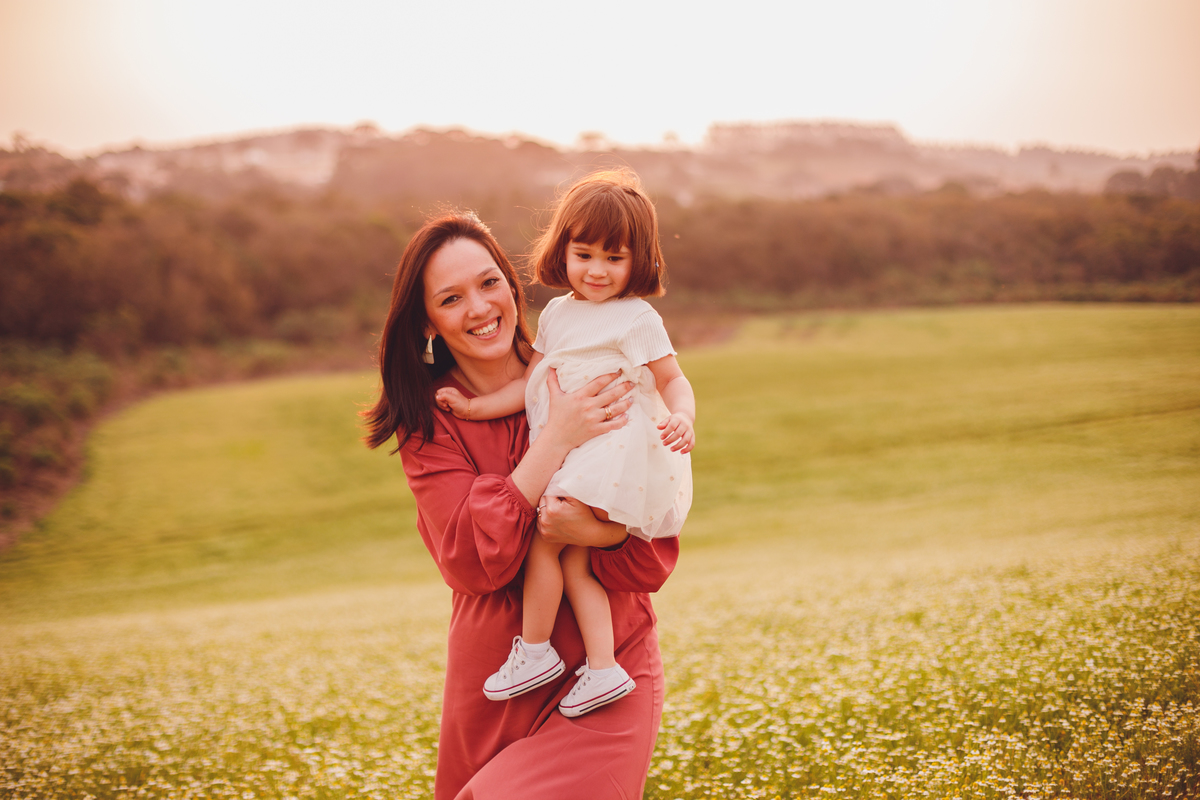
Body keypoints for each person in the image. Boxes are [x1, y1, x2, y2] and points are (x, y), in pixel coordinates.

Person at [362, 211, 679, 799]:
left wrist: (596, 531)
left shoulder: (589, 370)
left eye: (489, 283)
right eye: (451, 298)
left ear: (512, 285)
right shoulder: (430, 421)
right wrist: (555, 438)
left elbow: (653, 547)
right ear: (426, 323)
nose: (480, 309)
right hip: (495, 682)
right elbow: (473, 561)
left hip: (606, 669)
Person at [434, 169, 694, 719]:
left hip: (609, 449)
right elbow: (534, 379)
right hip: (574, 449)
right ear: (562, 251)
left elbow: (672, 378)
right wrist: (476, 407)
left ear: (640, 261)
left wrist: (685, 417)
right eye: (584, 254)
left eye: (615, 258)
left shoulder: (638, 317)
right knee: (572, 560)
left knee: (543, 542)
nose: (598, 271)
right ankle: (602, 668)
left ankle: (535, 650)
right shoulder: (555, 314)